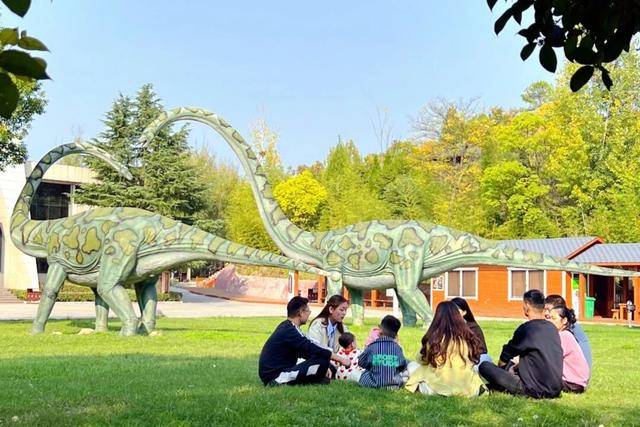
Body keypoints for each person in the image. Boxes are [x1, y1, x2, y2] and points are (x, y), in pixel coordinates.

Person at [478, 290, 563, 398]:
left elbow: (506, 354)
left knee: (485, 366)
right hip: (555, 389)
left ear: (527, 305)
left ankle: (497, 385)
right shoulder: (552, 328)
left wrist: (501, 370)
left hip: (533, 389)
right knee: (511, 366)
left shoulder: (526, 329)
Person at [258, 296, 350, 386]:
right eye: (308, 311)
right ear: (301, 313)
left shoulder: (288, 327)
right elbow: (311, 347)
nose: (309, 313)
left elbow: (306, 352)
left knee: (322, 361)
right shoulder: (290, 330)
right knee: (322, 361)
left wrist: (324, 365)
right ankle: (277, 382)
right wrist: (340, 359)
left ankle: (317, 378)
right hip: (275, 375)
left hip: (279, 372)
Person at [405, 301, 485, 397]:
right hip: (470, 390)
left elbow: (421, 360)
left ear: (437, 317)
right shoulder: (468, 337)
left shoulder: (434, 338)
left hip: (437, 389)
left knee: (412, 366)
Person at [547, 305, 590, 393]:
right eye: (548, 318)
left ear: (564, 320)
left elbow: (550, 359)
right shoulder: (567, 334)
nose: (550, 321)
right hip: (578, 383)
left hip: (573, 383)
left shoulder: (563, 336)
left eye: (553, 318)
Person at [544, 294, 592, 372]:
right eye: (545, 309)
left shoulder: (568, 331)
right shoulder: (562, 326)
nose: (546, 313)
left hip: (576, 374)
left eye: (548, 309)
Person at [358, 315, 408, 389]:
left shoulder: (372, 346)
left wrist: (373, 365)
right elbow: (402, 365)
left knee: (362, 374)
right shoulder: (398, 348)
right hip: (393, 383)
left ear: (380, 330)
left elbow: (361, 362)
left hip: (373, 383)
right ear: (396, 335)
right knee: (402, 374)